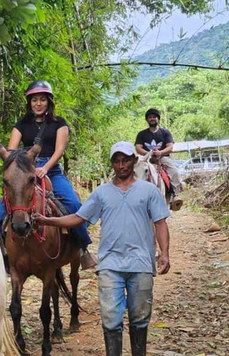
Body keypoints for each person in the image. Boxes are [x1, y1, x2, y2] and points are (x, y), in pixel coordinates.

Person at [34, 141, 171, 356]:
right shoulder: (101, 193)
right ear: (112, 164)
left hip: (141, 263)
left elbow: (160, 222)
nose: (121, 165)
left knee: (140, 319)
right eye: (116, 161)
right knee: (111, 320)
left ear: (134, 161)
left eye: (125, 160)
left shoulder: (149, 191)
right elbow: (79, 217)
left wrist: (164, 253)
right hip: (110, 265)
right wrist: (47, 221)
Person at [0, 80, 96, 270]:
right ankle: (2, 254)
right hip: (25, 171)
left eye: (42, 100)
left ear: (49, 102)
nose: (38, 104)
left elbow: (59, 149)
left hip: (51, 171)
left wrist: (46, 167)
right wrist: (17, 167)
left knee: (74, 205)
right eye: (34, 100)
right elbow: (12, 150)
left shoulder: (59, 123)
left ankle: (83, 248)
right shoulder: (21, 124)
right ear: (29, 103)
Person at [135, 108, 183, 210]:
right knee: (135, 170)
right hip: (146, 158)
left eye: (154, 117)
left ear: (158, 119)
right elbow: (138, 148)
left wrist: (160, 152)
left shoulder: (165, 132)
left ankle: (175, 195)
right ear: (147, 120)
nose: (152, 119)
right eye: (150, 117)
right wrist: (149, 153)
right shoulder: (142, 134)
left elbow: (170, 147)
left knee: (174, 172)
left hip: (162, 157)